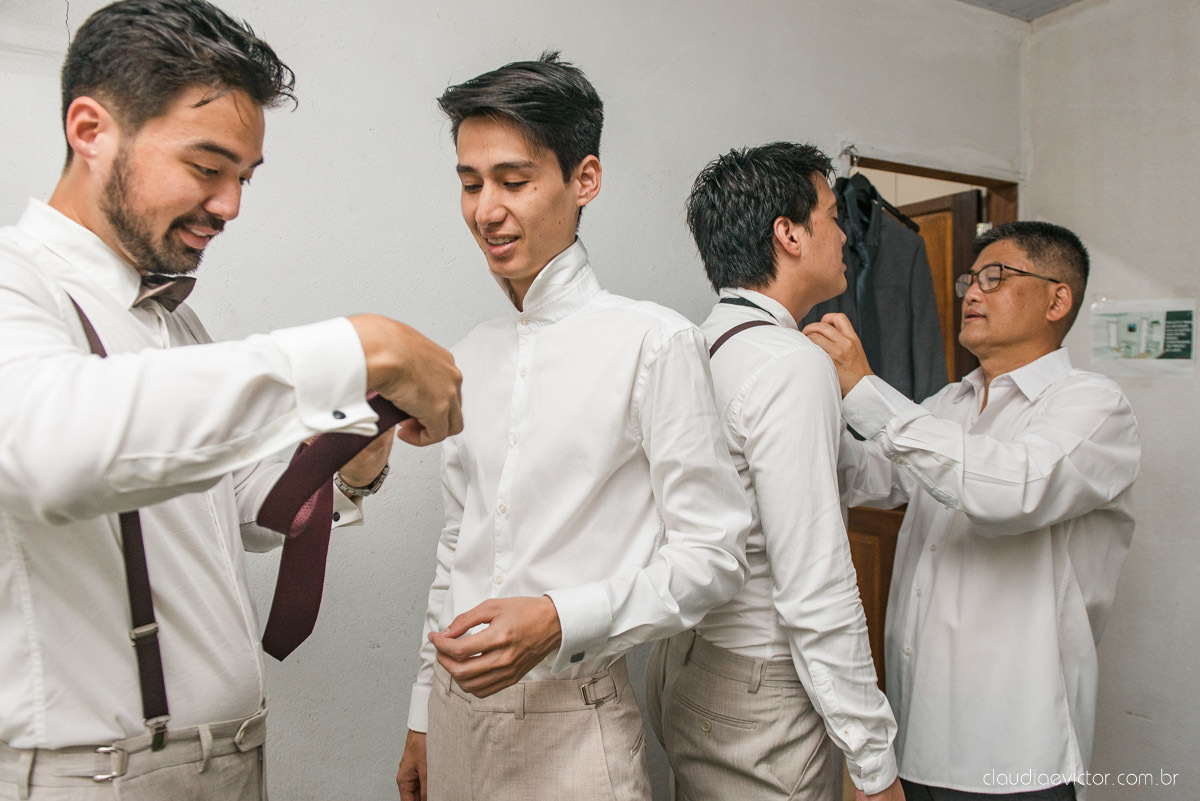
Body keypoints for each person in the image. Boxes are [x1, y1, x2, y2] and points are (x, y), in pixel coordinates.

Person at [0, 1, 462, 798]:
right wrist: (361, 344)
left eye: (242, 178)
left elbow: (235, 513)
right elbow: (60, 453)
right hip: (94, 778)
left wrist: (350, 450)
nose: (230, 206)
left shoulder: (177, 321)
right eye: (207, 167)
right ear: (90, 129)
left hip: (230, 763)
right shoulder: (18, 286)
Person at [395, 53, 751, 801]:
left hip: (573, 726)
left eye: (513, 180)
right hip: (456, 722)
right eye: (469, 182)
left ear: (583, 179)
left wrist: (560, 619)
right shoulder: (468, 356)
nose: (486, 209)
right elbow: (458, 544)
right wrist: (424, 714)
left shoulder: (656, 343)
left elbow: (715, 556)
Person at [804, 221, 1141, 801]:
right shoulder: (948, 404)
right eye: (970, 279)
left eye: (996, 277)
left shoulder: (1094, 407)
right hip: (915, 735)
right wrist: (799, 403)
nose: (972, 293)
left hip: (1014, 749)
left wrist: (867, 389)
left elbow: (1010, 490)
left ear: (1058, 298)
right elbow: (869, 476)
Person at [646, 142, 904, 801]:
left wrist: (929, 443)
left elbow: (847, 474)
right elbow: (815, 585)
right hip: (758, 682)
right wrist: (874, 764)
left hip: (689, 663)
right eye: (830, 212)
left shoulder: (696, 347)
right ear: (787, 234)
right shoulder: (789, 363)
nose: (845, 232)